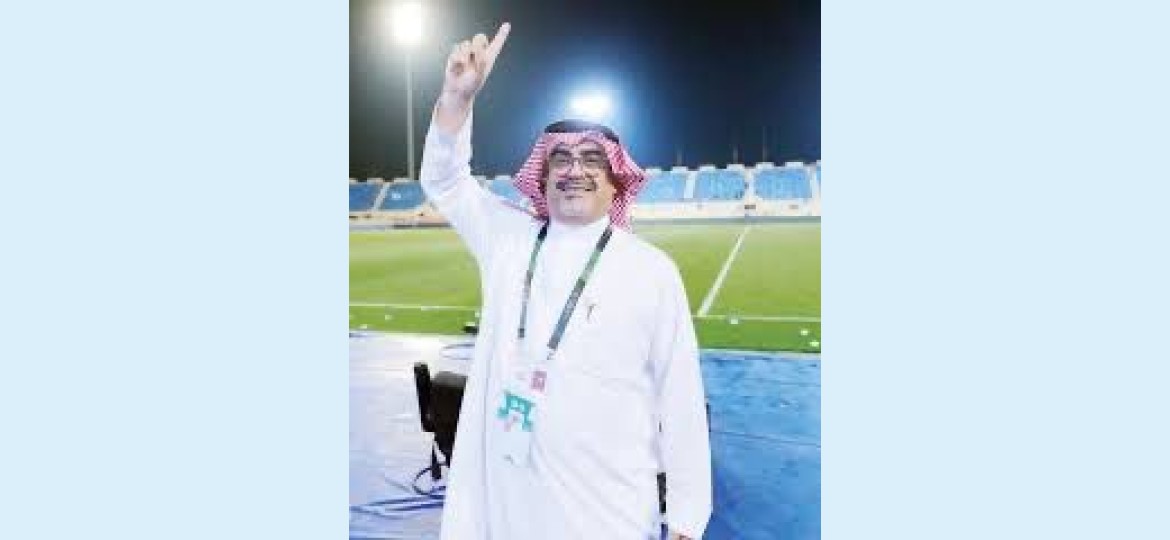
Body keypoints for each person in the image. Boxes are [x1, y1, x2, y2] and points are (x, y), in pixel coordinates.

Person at [418, 22, 712, 540]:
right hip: (506, 508)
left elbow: (681, 399)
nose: (575, 169)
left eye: (592, 159)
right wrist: (457, 99)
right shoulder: (508, 241)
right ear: (543, 175)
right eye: (562, 158)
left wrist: (687, 519)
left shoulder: (651, 271)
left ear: (616, 181)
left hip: (608, 512)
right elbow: (444, 180)